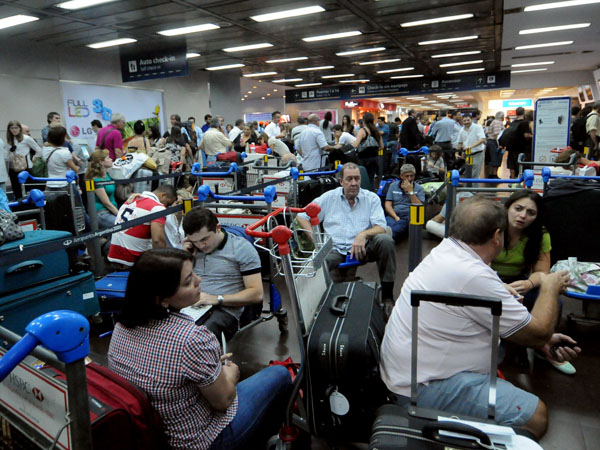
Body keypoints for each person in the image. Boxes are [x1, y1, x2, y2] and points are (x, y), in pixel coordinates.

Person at [380, 196, 580, 440]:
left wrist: (543, 341)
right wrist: (549, 286)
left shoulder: (449, 251)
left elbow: (518, 329)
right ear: (497, 236)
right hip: (421, 386)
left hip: (409, 371)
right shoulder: (473, 275)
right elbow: (538, 331)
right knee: (536, 417)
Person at [108, 248, 292, 450]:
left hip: (155, 435)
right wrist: (230, 374)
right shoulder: (192, 338)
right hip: (203, 441)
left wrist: (209, 368)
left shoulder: (121, 327)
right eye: (188, 281)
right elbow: (224, 401)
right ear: (162, 299)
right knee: (280, 374)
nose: (199, 280)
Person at [491, 190, 576, 375]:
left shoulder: (540, 234)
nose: (523, 216)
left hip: (521, 281)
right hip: (489, 279)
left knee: (552, 299)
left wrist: (528, 284)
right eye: (518, 209)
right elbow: (478, 263)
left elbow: (542, 272)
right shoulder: (492, 227)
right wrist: (498, 286)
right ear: (507, 208)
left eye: (531, 213)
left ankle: (543, 346)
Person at [295, 162, 396, 309]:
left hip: (362, 248)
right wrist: (317, 242)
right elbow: (302, 216)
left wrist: (363, 235)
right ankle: (319, 306)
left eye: (357, 178)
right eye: (349, 179)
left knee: (386, 241)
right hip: (334, 248)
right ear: (341, 181)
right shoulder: (329, 198)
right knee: (317, 265)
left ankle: (387, 297)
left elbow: (381, 227)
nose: (354, 183)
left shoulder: (371, 198)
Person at [182, 208, 263, 341]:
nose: (201, 245)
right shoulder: (193, 249)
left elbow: (257, 294)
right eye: (195, 241)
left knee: (198, 338)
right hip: (192, 304)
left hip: (225, 309)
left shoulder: (241, 248)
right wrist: (186, 258)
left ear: (218, 228)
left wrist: (215, 298)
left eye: (204, 239)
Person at [107, 185, 177, 267]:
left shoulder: (131, 200)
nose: (166, 207)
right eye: (168, 204)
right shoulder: (157, 207)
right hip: (133, 262)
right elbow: (157, 241)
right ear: (163, 195)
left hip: (114, 256)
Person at [384, 164, 425, 243]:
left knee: (399, 227)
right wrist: (395, 217)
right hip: (394, 214)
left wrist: (411, 192)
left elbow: (419, 208)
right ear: (401, 176)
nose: (409, 179)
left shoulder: (419, 188)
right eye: (407, 176)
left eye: (411, 176)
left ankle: (387, 238)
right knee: (382, 225)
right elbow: (388, 205)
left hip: (408, 216)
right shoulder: (393, 186)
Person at [5, 120, 43, 199]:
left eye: (16, 128)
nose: (14, 130)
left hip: (25, 167)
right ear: (9, 130)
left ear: (20, 129)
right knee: (17, 190)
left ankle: (30, 207)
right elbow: (7, 155)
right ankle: (20, 207)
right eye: (12, 128)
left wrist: (34, 158)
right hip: (13, 168)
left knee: (28, 189)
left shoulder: (26, 138)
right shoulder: (10, 140)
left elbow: (39, 150)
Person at [85, 150, 119, 229]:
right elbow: (106, 203)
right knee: (123, 225)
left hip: (110, 211)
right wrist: (120, 216)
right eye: (108, 158)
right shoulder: (96, 180)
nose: (111, 159)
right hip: (101, 213)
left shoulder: (107, 175)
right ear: (101, 162)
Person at [43, 125, 79, 191]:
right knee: (76, 201)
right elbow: (75, 169)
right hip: (65, 184)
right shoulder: (65, 152)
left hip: (50, 184)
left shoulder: (45, 150)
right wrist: (78, 167)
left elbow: (46, 144)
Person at [353, 112, 383, 183]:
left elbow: (356, 145)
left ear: (363, 120)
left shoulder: (362, 131)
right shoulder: (376, 131)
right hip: (374, 158)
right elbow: (382, 146)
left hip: (363, 159)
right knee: (371, 179)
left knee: (363, 179)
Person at [457, 114, 486, 179]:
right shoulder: (462, 130)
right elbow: (460, 142)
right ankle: (468, 188)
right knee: (468, 173)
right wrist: (456, 153)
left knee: (475, 174)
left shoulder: (478, 127)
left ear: (471, 120)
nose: (466, 122)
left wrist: (471, 146)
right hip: (467, 154)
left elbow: (482, 139)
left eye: (468, 120)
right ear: (462, 121)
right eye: (464, 121)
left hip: (477, 153)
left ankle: (475, 189)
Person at [485, 111, 505, 178]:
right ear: (501, 117)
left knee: (493, 159)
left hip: (492, 142)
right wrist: (499, 144)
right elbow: (497, 134)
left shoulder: (494, 122)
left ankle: (492, 174)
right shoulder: (497, 122)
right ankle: (493, 175)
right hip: (494, 142)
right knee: (495, 159)